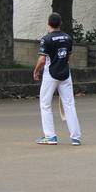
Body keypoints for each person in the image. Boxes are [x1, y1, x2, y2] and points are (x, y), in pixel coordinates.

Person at [33, 12, 82, 146]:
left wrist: (36, 71)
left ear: (48, 23)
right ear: (60, 24)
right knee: (69, 104)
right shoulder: (67, 38)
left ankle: (50, 136)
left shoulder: (46, 39)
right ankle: (75, 137)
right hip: (65, 73)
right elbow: (68, 56)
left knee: (45, 104)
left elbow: (42, 59)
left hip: (51, 74)